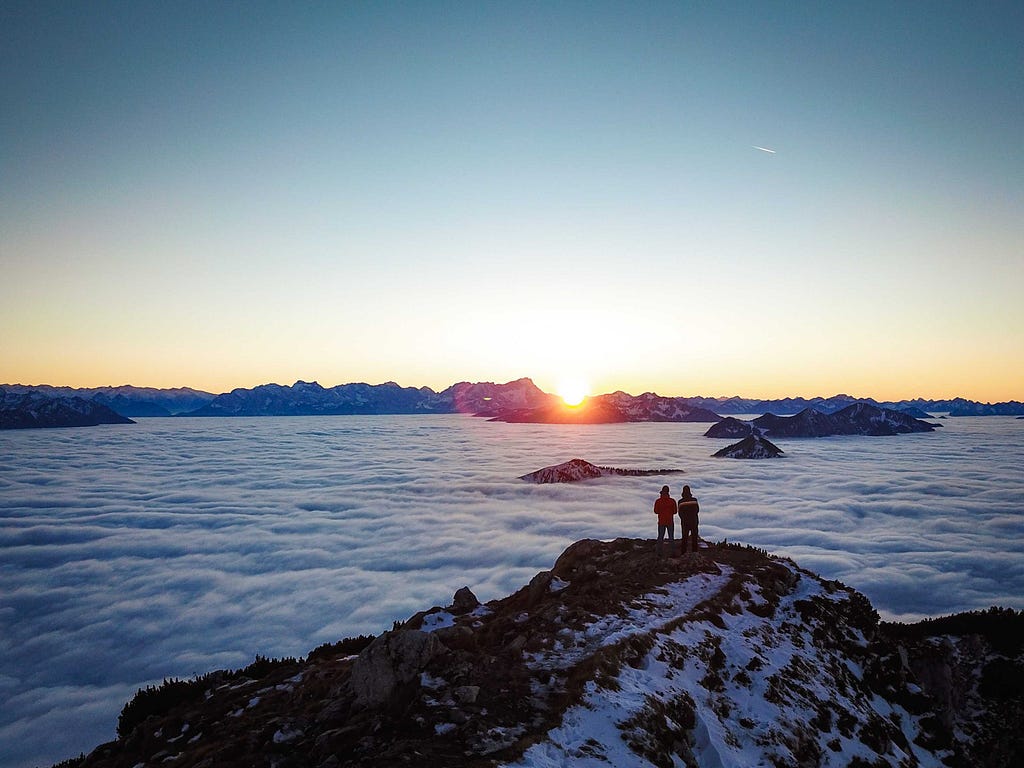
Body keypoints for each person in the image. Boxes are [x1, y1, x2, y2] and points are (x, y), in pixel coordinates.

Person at [653, 485, 676, 558]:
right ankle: (672, 553)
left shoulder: (658, 501)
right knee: (671, 538)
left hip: (661, 522)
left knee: (660, 537)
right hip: (670, 521)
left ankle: (659, 553)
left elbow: (656, 511)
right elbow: (675, 511)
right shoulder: (672, 501)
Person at [678, 485, 700, 554]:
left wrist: (684, 518)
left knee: (684, 538)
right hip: (694, 521)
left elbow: (680, 513)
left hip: (685, 523)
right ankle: (695, 552)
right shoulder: (694, 500)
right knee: (694, 538)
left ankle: (683, 553)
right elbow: (697, 510)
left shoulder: (680, 501)